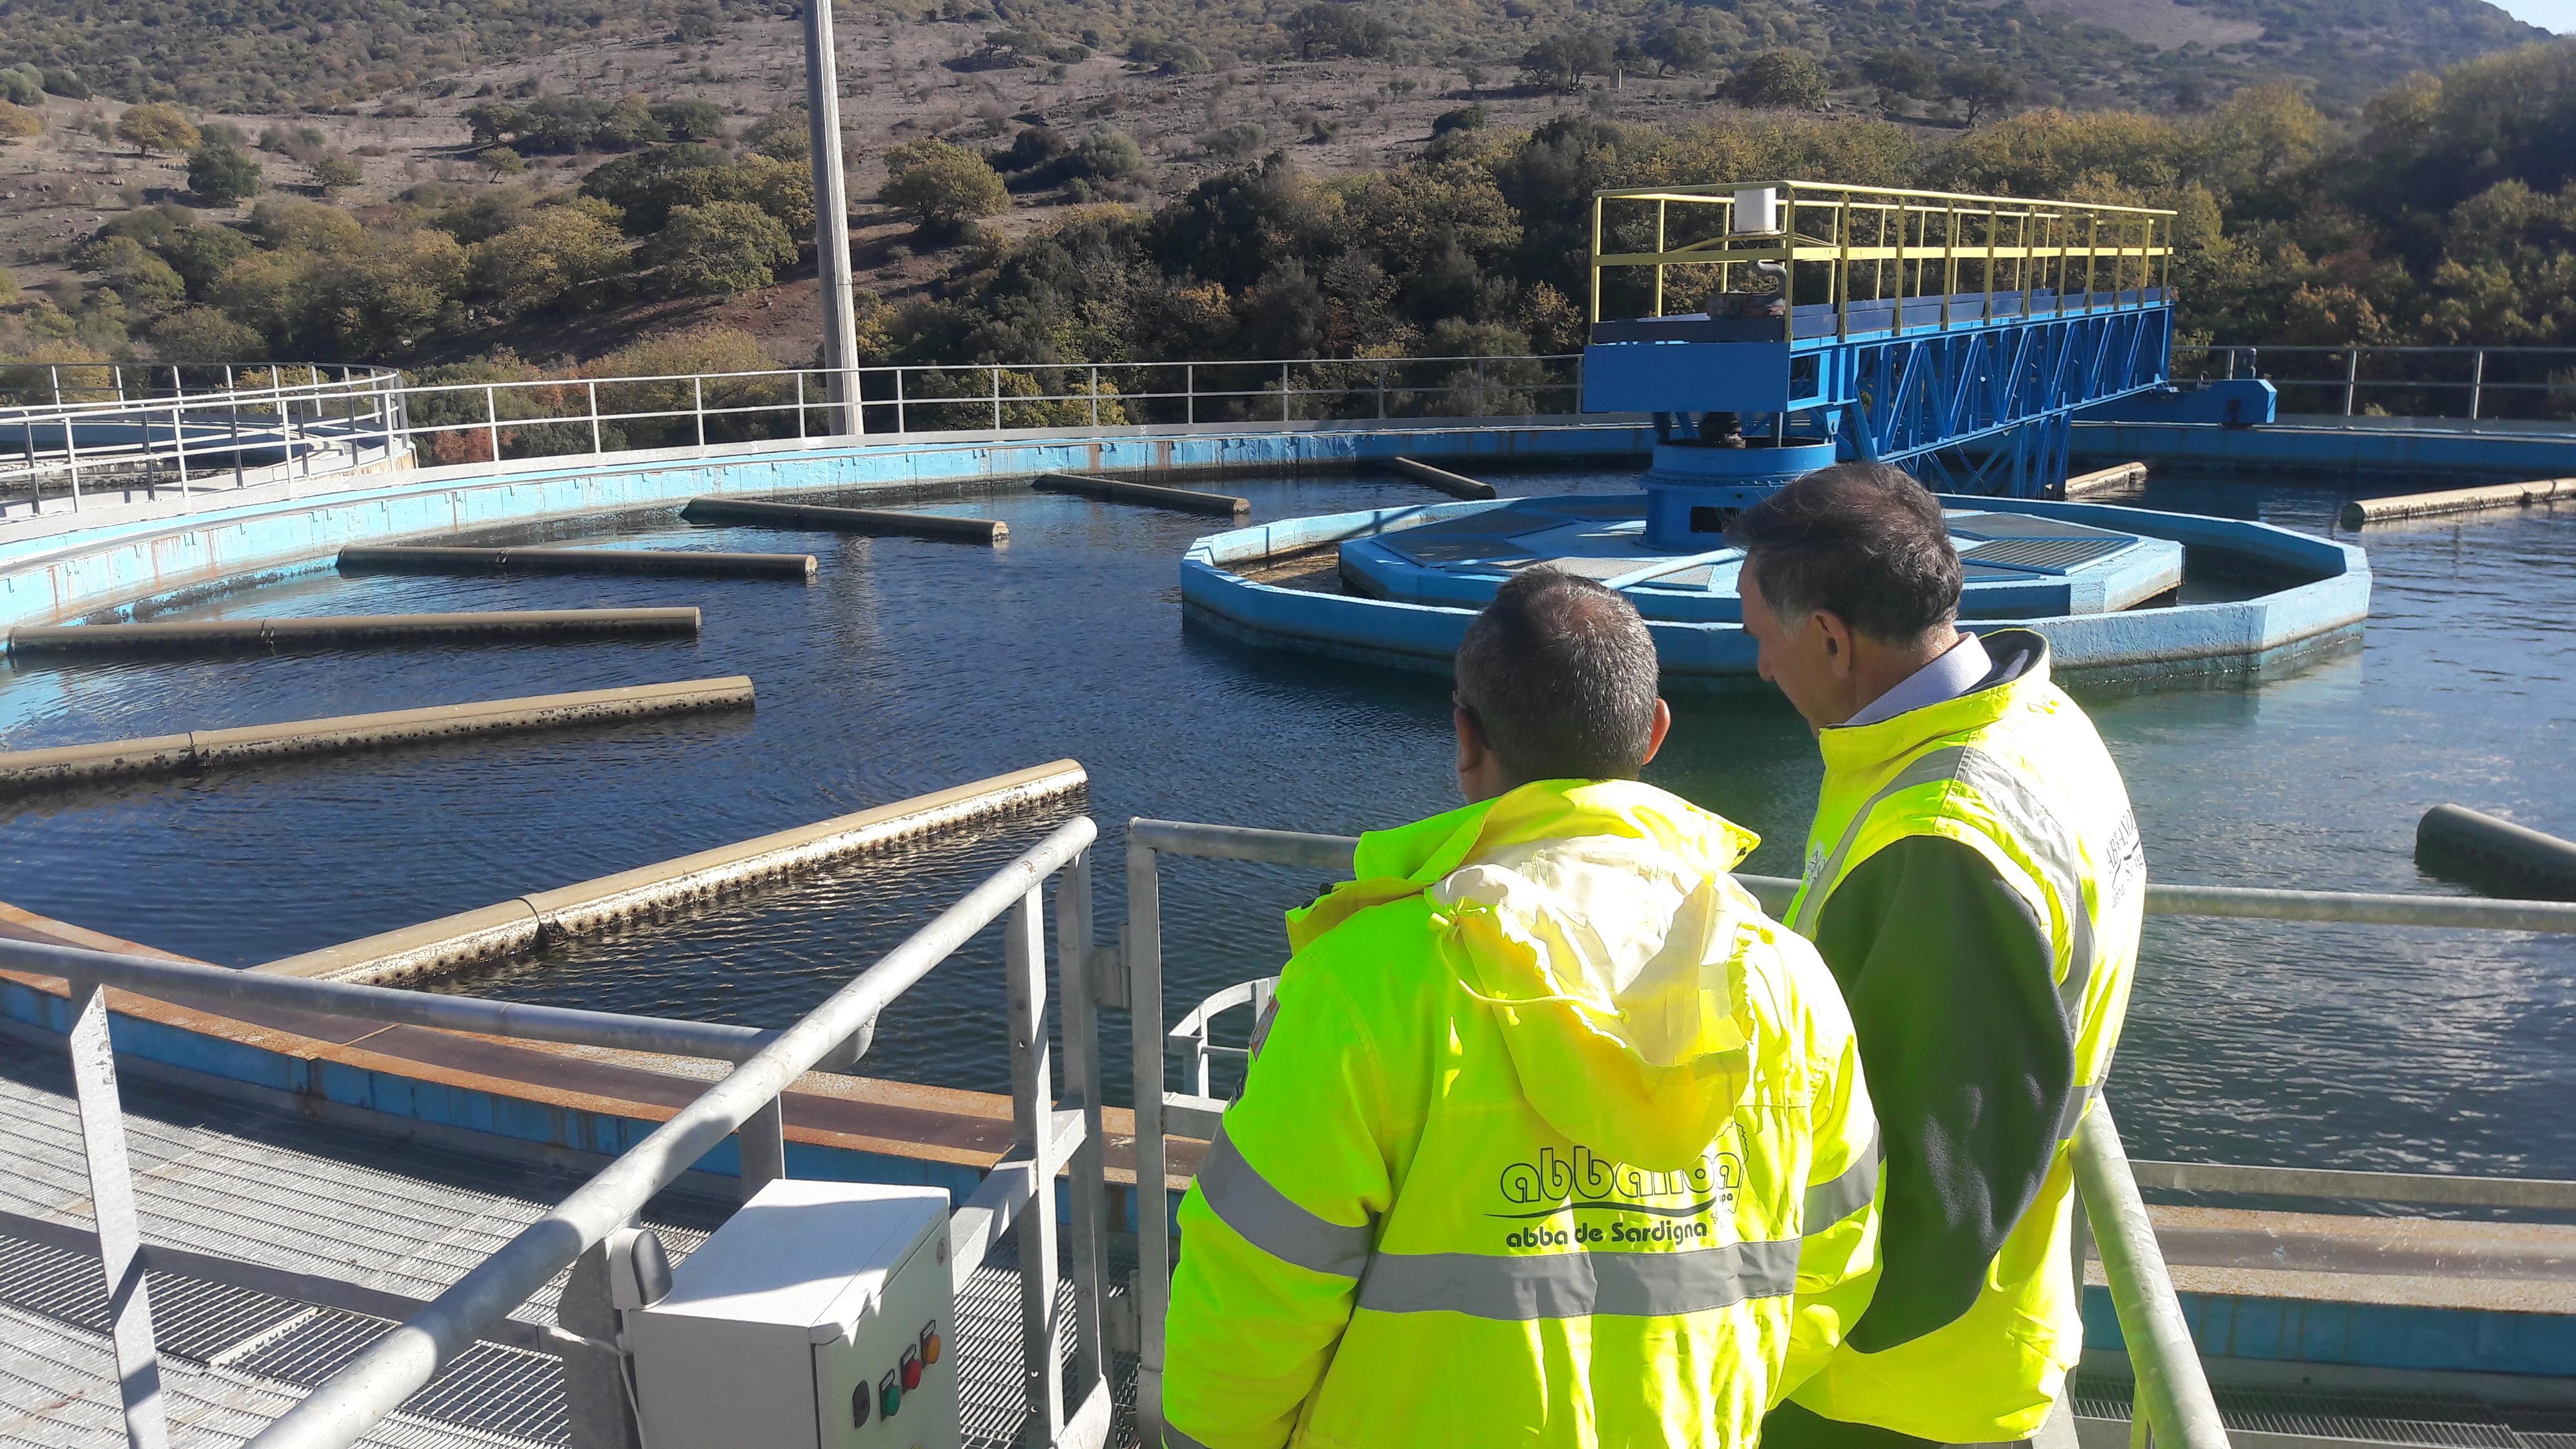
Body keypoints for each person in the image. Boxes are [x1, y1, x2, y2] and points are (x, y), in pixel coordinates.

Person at [1161, 567, 1882, 1449]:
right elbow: (1834, 1268)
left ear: (1466, 737)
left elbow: (1250, 1305)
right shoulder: (1787, 982)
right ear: (1653, 733)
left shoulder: (1362, 986)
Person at [1731, 464, 2147, 1449]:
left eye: (1763, 638)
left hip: (1890, 1393)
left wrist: (1741, 1348)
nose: (1759, 668)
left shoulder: (1944, 844)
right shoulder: (2040, 723)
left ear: (1831, 638)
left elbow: (1928, 1215)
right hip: (1991, 1335)